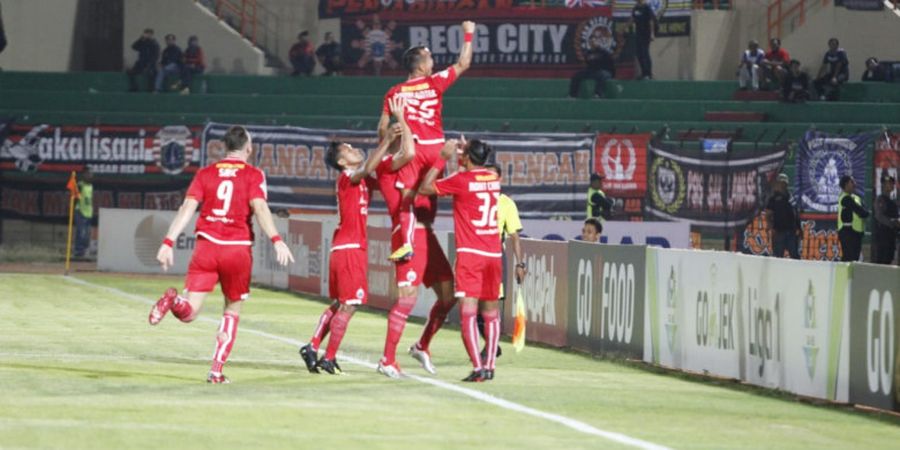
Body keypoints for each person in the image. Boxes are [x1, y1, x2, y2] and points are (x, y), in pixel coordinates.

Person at [148, 126, 294, 383]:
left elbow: (186, 208)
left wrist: (168, 241)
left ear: (225, 148)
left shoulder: (205, 173)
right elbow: (260, 208)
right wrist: (277, 240)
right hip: (236, 249)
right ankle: (215, 370)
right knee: (232, 310)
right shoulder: (253, 174)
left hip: (207, 246)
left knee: (190, 311)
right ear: (248, 149)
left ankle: (173, 300)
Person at [298, 99, 403, 375]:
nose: (355, 149)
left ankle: (311, 347)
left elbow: (378, 168)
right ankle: (329, 357)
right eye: (349, 149)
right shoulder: (347, 176)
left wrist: (391, 140)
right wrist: (386, 140)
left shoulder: (357, 177)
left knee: (340, 303)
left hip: (343, 247)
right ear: (342, 161)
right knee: (352, 303)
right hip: (349, 248)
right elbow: (369, 167)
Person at [377, 20, 475, 261]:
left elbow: (382, 128)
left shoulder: (395, 92)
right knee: (429, 194)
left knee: (406, 200)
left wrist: (390, 143)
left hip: (414, 149)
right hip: (437, 149)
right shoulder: (435, 82)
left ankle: (408, 244)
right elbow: (464, 63)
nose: (433, 62)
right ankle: (430, 238)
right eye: (429, 58)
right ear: (420, 65)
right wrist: (469, 34)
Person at [419, 138, 502, 382]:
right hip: (493, 253)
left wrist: (443, 158)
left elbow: (425, 187)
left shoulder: (460, 180)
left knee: (467, 312)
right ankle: (490, 366)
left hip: (471, 255)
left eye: (462, 154)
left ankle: (477, 368)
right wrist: (467, 154)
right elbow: (476, 172)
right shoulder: (493, 179)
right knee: (491, 313)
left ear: (466, 158)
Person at [477, 163, 526, 361]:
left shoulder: (506, 203)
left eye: (493, 177)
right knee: (475, 310)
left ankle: (490, 345)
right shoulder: (476, 199)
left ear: (499, 180)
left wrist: (519, 264)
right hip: (475, 255)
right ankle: (492, 343)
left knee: (491, 306)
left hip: (495, 257)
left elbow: (514, 236)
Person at [765, 173, 801, 259]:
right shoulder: (773, 198)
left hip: (791, 232)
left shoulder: (791, 197)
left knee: (795, 256)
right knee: (778, 257)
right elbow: (768, 214)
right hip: (778, 232)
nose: (783, 185)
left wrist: (799, 228)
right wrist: (770, 226)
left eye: (784, 183)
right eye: (781, 182)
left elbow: (796, 213)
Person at [568, 35, 616, 99]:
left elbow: (610, 64)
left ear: (598, 42)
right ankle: (573, 95)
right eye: (591, 41)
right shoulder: (588, 53)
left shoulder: (604, 52)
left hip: (604, 71)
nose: (593, 43)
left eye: (594, 41)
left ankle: (598, 94)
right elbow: (589, 64)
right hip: (592, 71)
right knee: (577, 75)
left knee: (603, 75)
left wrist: (612, 74)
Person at [837, 175, 870, 262]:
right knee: (848, 257)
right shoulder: (845, 198)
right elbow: (860, 211)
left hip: (856, 232)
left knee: (855, 258)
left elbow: (864, 210)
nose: (854, 184)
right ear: (846, 184)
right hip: (847, 232)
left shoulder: (856, 197)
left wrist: (865, 213)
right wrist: (865, 213)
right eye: (852, 182)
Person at [872, 174, 899, 264]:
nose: (891, 185)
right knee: (881, 262)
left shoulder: (892, 202)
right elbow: (879, 216)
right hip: (882, 238)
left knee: (888, 261)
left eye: (892, 183)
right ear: (883, 185)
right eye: (888, 183)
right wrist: (893, 223)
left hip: (891, 237)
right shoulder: (880, 199)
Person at [630, 0, 656, 80]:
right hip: (638, 34)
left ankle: (648, 73)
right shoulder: (635, 8)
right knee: (639, 53)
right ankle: (643, 73)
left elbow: (651, 21)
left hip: (646, 34)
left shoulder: (646, 7)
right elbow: (632, 19)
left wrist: (652, 33)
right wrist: (623, 28)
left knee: (645, 53)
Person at [74, 168, 94, 258]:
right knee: (81, 232)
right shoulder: (80, 185)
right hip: (80, 211)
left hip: (88, 212)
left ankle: (84, 251)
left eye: (91, 174)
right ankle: (78, 251)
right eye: (88, 173)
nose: (90, 175)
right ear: (84, 175)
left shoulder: (91, 186)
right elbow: (74, 197)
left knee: (87, 233)